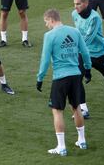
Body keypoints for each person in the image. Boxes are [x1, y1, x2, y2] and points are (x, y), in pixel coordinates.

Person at [37, 9, 92, 156]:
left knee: (57, 111)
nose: (46, 25)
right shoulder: (74, 31)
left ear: (51, 19)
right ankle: (82, 141)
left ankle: (61, 147)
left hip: (60, 78)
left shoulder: (49, 36)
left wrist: (40, 78)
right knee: (76, 108)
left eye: (46, 22)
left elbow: (45, 59)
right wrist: (87, 69)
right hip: (75, 76)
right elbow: (85, 52)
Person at [72, 0, 104, 118]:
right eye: (74, 4)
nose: (76, 7)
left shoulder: (95, 17)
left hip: (98, 54)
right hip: (83, 53)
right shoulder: (74, 14)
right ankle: (83, 109)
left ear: (86, 4)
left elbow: (89, 38)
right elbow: (79, 33)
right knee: (77, 80)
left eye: (78, 4)